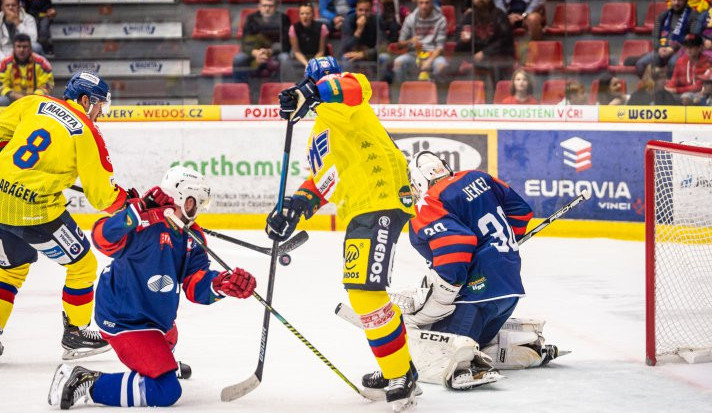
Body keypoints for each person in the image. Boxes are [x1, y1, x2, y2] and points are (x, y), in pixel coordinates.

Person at [267, 57, 418, 411]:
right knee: (362, 291)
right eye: (319, 81)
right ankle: (398, 367)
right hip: (361, 208)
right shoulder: (319, 132)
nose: (330, 82)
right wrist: (293, 210)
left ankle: (401, 374)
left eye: (327, 79)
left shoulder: (349, 96)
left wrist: (312, 90)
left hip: (382, 198)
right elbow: (326, 179)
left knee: (366, 291)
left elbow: (351, 87)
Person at [47, 166, 258, 410]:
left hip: (156, 318)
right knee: (165, 391)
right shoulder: (142, 223)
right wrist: (134, 215)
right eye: (193, 203)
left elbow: (194, 283)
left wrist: (221, 284)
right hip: (125, 320)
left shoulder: (192, 236)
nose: (196, 211)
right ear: (178, 197)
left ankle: (161, 360)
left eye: (201, 204)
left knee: (170, 335)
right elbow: (101, 239)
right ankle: (84, 381)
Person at [387, 151, 563, 387]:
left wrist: (444, 293)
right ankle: (526, 346)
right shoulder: (479, 177)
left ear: (420, 178)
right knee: (478, 339)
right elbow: (521, 212)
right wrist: (500, 246)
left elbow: (456, 245)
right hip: (508, 290)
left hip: (475, 298)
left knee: (425, 348)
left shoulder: (429, 202)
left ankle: (463, 365)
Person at [0, 71, 127, 360]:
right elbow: (102, 197)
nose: (100, 114)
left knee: (10, 269)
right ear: (84, 100)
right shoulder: (86, 130)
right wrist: (128, 201)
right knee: (83, 265)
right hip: (35, 210)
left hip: (0, 199)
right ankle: (76, 333)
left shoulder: (33, 103)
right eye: (98, 106)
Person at [454, 0, 515, 84]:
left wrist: (485, 52)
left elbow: (505, 41)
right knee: (450, 65)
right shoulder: (468, 17)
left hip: (498, 56)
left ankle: (498, 95)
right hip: (475, 56)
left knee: (495, 65)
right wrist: (463, 41)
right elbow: (458, 46)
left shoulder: (499, 15)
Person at [635, 0, 699, 77]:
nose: (676, 3)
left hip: (682, 51)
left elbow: (693, 39)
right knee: (640, 64)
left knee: (673, 63)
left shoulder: (693, 16)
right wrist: (659, 48)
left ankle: (669, 88)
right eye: (674, 0)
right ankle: (650, 87)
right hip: (662, 50)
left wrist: (673, 49)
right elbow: (655, 35)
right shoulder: (663, 15)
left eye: (680, 0)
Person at [232, 0, 291, 84]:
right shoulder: (251, 18)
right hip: (255, 52)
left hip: (275, 52)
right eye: (264, 6)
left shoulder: (283, 19)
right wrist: (256, 53)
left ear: (276, 6)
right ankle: (241, 88)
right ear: (259, 6)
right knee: (239, 59)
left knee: (285, 58)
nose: (267, 9)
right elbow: (245, 41)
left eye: (270, 6)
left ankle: (284, 89)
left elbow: (286, 43)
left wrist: (270, 52)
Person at [392, 0, 447, 83]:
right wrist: (410, 41)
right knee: (398, 63)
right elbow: (400, 44)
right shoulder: (410, 19)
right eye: (421, 3)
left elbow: (440, 47)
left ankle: (436, 93)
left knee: (442, 66)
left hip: (433, 54)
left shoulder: (441, 20)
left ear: (432, 3)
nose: (424, 6)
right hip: (414, 54)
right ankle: (403, 92)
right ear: (417, 4)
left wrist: (429, 61)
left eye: (427, 3)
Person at [340, 0, 396, 76]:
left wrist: (365, 54)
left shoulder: (377, 20)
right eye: (360, 10)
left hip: (372, 54)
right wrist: (359, 30)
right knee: (345, 58)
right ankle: (348, 85)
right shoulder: (348, 21)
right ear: (356, 10)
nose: (363, 13)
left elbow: (383, 46)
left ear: (371, 10)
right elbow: (345, 47)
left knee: (384, 57)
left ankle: (383, 85)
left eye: (367, 10)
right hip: (354, 54)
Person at [0, 33, 53, 106]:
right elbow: (2, 85)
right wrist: (12, 94)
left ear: (30, 48)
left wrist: (33, 96)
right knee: (2, 100)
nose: (21, 50)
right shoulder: (5, 63)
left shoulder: (42, 63)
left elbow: (47, 85)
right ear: (14, 48)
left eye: (25, 47)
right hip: (12, 98)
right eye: (18, 46)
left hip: (35, 98)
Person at [665, 34, 711, 104]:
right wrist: (667, 87)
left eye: (692, 47)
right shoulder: (680, 61)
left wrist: (676, 90)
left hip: (703, 94)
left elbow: (698, 87)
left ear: (700, 47)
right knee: (664, 95)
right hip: (684, 94)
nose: (688, 50)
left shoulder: (707, 62)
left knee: (686, 98)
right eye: (686, 47)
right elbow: (674, 81)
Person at [288, 2, 329, 74]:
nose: (305, 16)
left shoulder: (322, 27)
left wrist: (312, 64)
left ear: (313, 15)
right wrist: (307, 64)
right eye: (302, 14)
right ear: (299, 15)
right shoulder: (293, 28)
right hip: (301, 59)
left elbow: (321, 51)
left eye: (307, 13)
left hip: (318, 58)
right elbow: (296, 51)